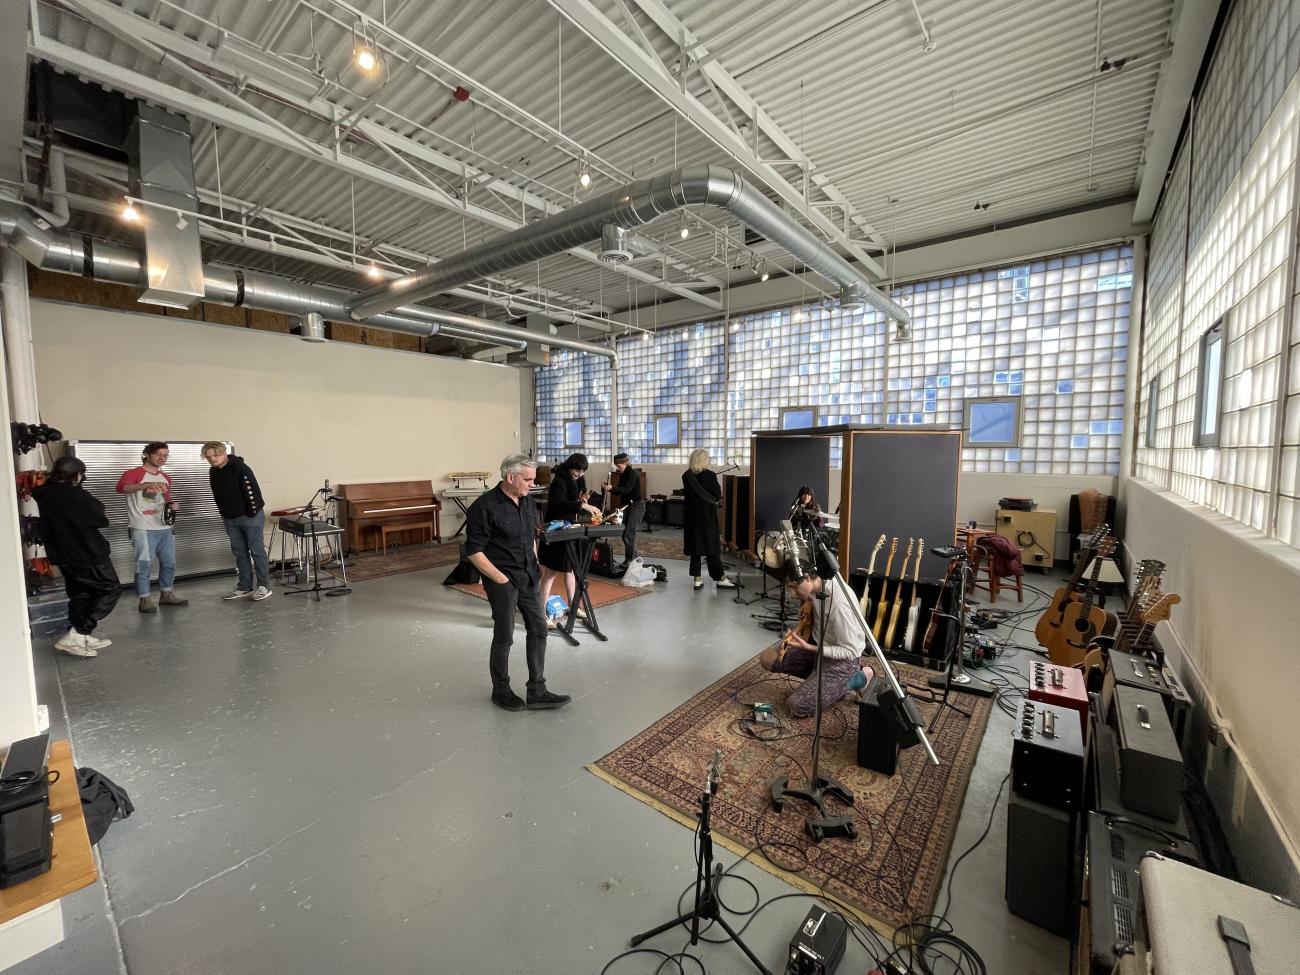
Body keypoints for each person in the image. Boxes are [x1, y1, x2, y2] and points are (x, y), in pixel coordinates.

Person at [464, 454, 571, 712]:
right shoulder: (484, 506)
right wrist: (500, 578)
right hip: (502, 580)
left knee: (539, 629)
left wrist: (534, 561)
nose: (532, 484)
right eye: (528, 479)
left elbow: (530, 535)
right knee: (505, 635)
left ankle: (537, 690)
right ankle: (500, 689)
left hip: (529, 576)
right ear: (510, 477)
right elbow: (474, 551)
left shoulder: (527, 501)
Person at [32, 457, 120, 657]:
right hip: (87, 552)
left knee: (81, 593)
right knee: (110, 589)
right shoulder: (76, 495)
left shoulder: (45, 494)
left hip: (63, 554)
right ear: (77, 474)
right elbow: (101, 518)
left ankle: (82, 636)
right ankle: (79, 632)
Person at [759, 566, 867, 717]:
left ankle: (858, 678)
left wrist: (810, 647)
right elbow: (812, 597)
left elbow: (851, 651)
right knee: (768, 658)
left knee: (796, 706)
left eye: (793, 587)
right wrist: (808, 603)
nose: (791, 593)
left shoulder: (839, 605)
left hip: (843, 661)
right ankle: (822, 684)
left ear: (808, 577)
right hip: (818, 649)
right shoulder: (818, 584)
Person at [116, 441, 188, 613]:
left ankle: (166, 594)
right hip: (142, 527)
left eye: (165, 455)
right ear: (147, 454)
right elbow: (121, 487)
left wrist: (171, 505)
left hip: (163, 527)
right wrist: (144, 485)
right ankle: (144, 598)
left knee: (169, 562)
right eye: (158, 454)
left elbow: (166, 499)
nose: (162, 458)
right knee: (144, 563)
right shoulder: (134, 473)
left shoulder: (165, 477)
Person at [201, 442, 272, 601]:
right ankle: (245, 586)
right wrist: (224, 514)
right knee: (239, 552)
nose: (212, 459)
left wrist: (251, 514)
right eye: (209, 457)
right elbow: (217, 494)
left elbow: (252, 492)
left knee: (257, 551)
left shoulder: (240, 468)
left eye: (215, 455)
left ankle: (264, 586)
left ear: (224, 453)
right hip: (230, 518)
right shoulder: (213, 471)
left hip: (250, 517)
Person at [539, 452, 600, 621]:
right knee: (550, 572)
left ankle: (574, 605)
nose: (579, 475)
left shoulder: (574, 480)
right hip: (555, 528)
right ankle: (540, 611)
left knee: (571, 569)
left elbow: (572, 500)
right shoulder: (559, 481)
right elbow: (558, 504)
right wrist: (581, 506)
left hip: (568, 528)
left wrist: (582, 500)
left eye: (582, 472)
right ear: (570, 466)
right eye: (577, 471)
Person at [682, 448, 735, 592]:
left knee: (695, 548)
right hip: (706, 517)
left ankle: (697, 580)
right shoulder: (710, 475)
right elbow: (717, 495)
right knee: (712, 548)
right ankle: (721, 578)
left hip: (691, 517)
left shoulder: (686, 476)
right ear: (704, 460)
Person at [603, 452, 644, 565]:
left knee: (629, 534)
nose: (617, 468)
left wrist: (611, 487)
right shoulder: (623, 474)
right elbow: (618, 492)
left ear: (625, 463)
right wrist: (608, 488)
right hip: (627, 506)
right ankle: (634, 559)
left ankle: (630, 560)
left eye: (618, 465)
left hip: (637, 505)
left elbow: (626, 490)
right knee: (625, 534)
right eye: (616, 465)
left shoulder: (633, 473)